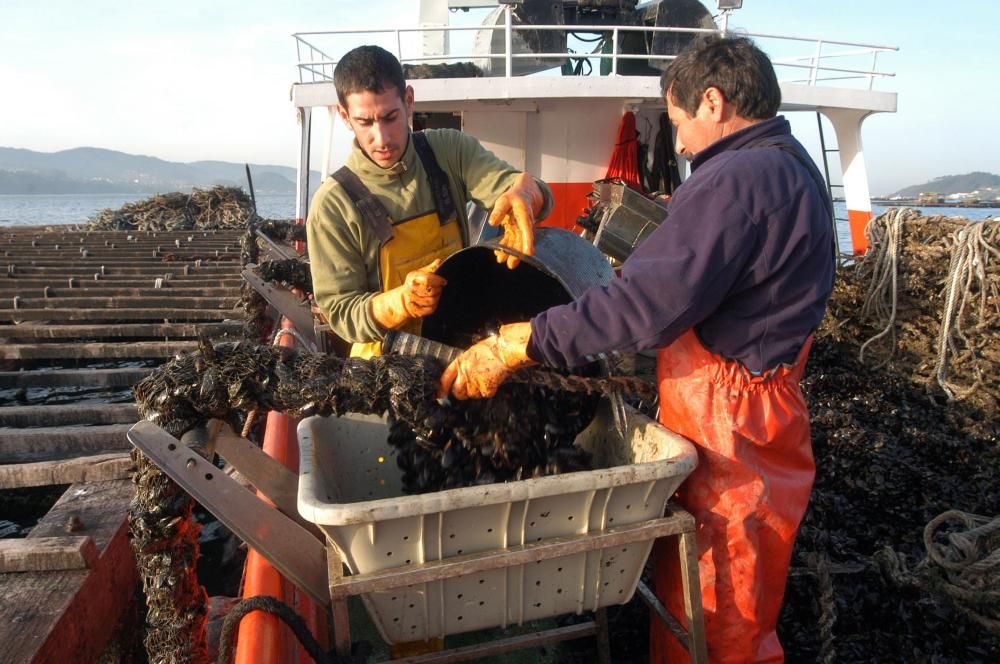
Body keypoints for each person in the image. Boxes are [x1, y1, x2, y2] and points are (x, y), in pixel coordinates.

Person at [438, 35, 835, 663]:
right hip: (765, 408)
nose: (675, 143)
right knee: (743, 590)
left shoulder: (737, 179)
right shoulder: (791, 164)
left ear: (712, 101)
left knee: (718, 598)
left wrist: (526, 342)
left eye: (676, 121)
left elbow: (647, 310)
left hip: (730, 421)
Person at [306, 45, 552, 358]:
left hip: (462, 347)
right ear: (344, 115)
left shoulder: (448, 151)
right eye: (365, 122)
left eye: (390, 117)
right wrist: (399, 303)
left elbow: (508, 186)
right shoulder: (333, 204)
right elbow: (340, 312)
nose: (381, 138)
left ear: (408, 101)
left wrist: (527, 194)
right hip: (386, 367)